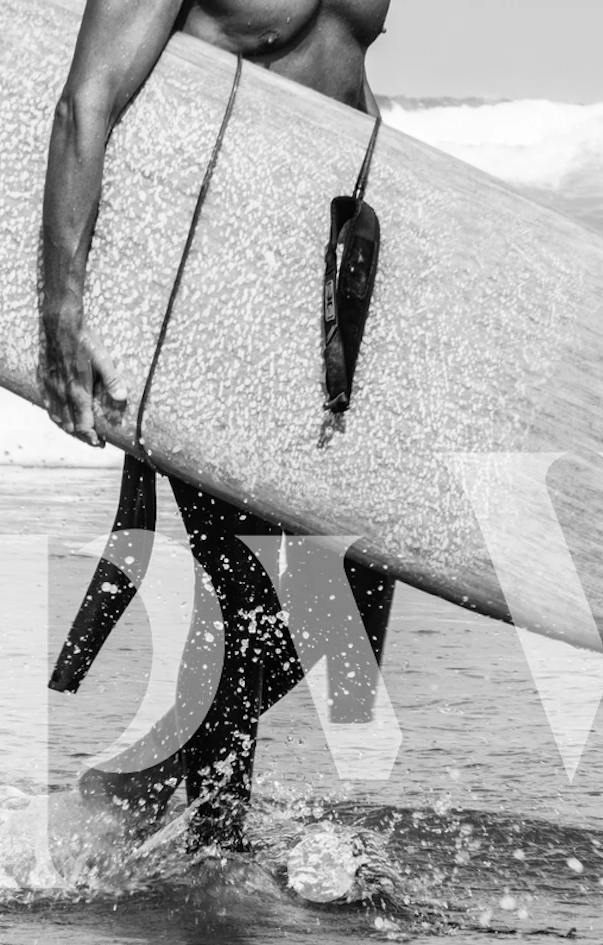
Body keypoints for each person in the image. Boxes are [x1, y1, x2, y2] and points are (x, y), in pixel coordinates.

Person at [41, 0, 396, 856]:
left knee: (363, 588)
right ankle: (206, 854)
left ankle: (176, 797)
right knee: (250, 595)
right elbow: (86, 101)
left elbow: (342, 71)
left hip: (308, 294)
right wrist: (63, 310)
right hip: (204, 286)